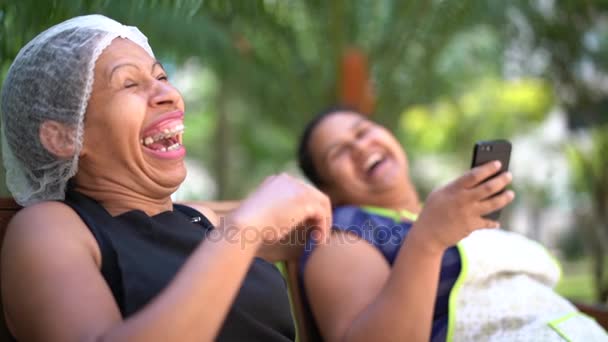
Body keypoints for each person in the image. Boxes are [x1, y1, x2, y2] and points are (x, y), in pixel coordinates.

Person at [0, 15, 332, 342]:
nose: (168, 94)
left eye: (161, 76)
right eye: (129, 83)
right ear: (64, 138)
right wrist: (245, 227)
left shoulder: (199, 220)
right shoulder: (49, 227)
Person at [297, 107, 608, 341]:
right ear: (328, 191)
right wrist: (428, 240)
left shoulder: (450, 210)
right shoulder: (341, 231)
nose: (361, 147)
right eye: (338, 152)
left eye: (363, 131)